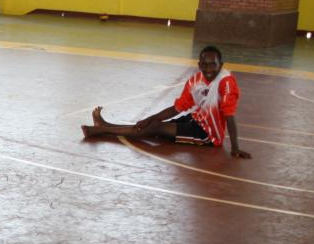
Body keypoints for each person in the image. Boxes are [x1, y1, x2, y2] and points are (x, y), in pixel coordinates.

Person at [81, 45, 252, 159]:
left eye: (213, 65)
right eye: (205, 65)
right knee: (153, 124)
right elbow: (177, 108)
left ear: (221, 64)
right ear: (199, 64)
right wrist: (151, 117)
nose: (208, 70)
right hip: (194, 120)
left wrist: (235, 148)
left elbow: (229, 116)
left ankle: (101, 130)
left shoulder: (226, 82)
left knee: (155, 128)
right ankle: (105, 125)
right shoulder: (195, 81)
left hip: (206, 135)